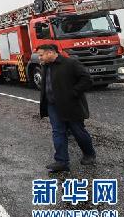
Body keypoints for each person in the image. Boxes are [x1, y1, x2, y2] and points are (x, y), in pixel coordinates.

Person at [37, 44, 95, 172]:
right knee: (58, 132)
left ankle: (89, 154)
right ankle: (61, 161)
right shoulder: (46, 66)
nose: (39, 57)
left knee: (78, 131)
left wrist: (73, 93)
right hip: (53, 105)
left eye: (41, 55)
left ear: (51, 52)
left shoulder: (70, 63)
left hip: (71, 105)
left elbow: (87, 79)